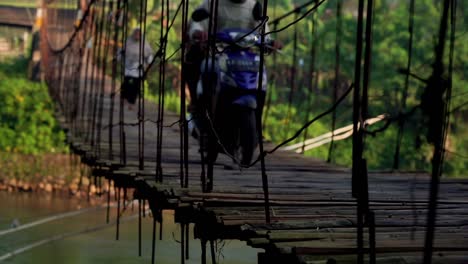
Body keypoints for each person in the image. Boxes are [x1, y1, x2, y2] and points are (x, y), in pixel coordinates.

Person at [185, 0, 280, 114]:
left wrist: (270, 42)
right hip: (217, 54)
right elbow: (197, 23)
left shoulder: (254, 6)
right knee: (201, 65)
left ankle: (256, 118)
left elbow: (263, 30)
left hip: (245, 57)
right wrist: (198, 33)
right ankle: (197, 104)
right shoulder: (213, 3)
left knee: (260, 77)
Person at [119, 27, 154, 110]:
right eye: (136, 33)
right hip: (128, 66)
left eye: (139, 34)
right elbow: (121, 52)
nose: (137, 35)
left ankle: (132, 102)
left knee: (136, 86)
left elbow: (149, 55)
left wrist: (149, 63)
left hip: (138, 68)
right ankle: (124, 98)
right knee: (126, 84)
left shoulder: (145, 44)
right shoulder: (128, 42)